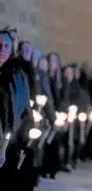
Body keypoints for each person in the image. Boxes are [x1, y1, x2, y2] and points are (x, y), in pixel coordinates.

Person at [0, 29, 34, 190]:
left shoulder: (19, 76)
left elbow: (26, 109)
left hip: (12, 142)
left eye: (7, 46)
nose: (2, 50)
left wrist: (27, 137)